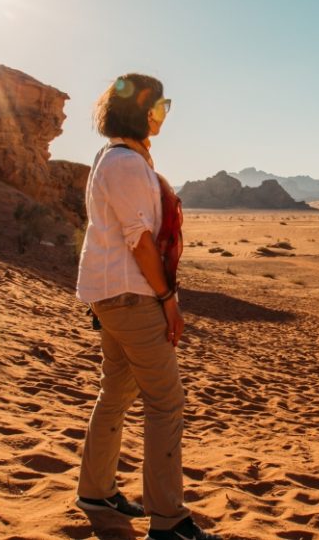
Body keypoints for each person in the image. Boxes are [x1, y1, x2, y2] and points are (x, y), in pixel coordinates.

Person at [75, 73, 221, 540]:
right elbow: (139, 242)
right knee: (165, 402)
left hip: (112, 293)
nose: (164, 113)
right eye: (161, 105)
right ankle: (169, 521)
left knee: (115, 391)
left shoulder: (115, 159)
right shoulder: (124, 164)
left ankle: (95, 492)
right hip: (132, 295)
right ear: (141, 109)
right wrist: (168, 300)